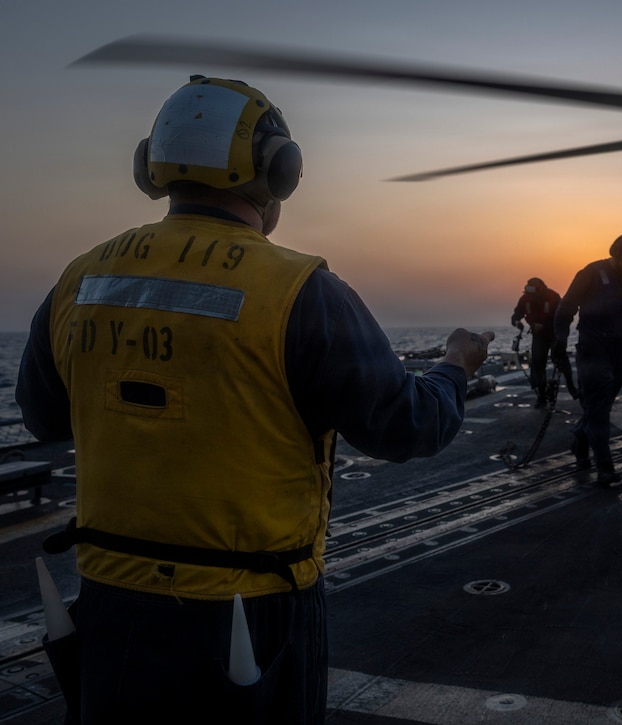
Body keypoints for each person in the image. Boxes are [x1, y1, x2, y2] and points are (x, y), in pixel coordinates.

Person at [15, 76, 494, 724]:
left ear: (151, 166)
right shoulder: (301, 291)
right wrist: (454, 366)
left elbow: (44, 416)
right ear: (279, 170)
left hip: (107, 607)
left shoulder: (81, 278)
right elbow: (404, 425)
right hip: (249, 617)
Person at [554, 233, 622, 487]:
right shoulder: (591, 273)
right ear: (616, 252)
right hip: (594, 345)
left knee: (601, 404)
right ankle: (605, 467)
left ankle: (579, 441)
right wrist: (560, 338)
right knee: (598, 406)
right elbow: (567, 306)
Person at [510, 277, 576, 407]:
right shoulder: (525, 300)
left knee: (561, 359)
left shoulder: (553, 297)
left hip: (555, 334)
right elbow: (517, 314)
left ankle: (571, 387)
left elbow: (564, 317)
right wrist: (517, 322)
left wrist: (545, 326)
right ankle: (541, 396)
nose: (531, 297)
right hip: (538, 336)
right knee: (537, 364)